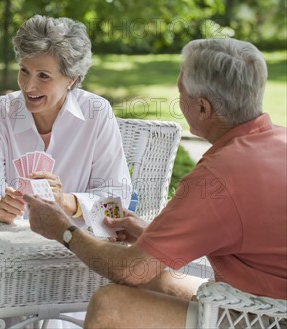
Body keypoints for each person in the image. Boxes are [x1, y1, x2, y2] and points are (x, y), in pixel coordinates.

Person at [23, 38, 287, 328]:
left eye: (181, 91)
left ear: (203, 108)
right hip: (263, 300)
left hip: (268, 318)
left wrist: (62, 229)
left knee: (110, 306)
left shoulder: (217, 177)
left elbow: (127, 270)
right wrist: (151, 235)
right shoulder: (278, 140)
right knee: (155, 275)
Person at [0, 15, 132, 225]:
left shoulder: (96, 113)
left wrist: (66, 202)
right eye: (24, 71)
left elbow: (117, 207)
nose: (28, 86)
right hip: (9, 248)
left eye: (43, 76)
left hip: (77, 248)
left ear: (71, 79)